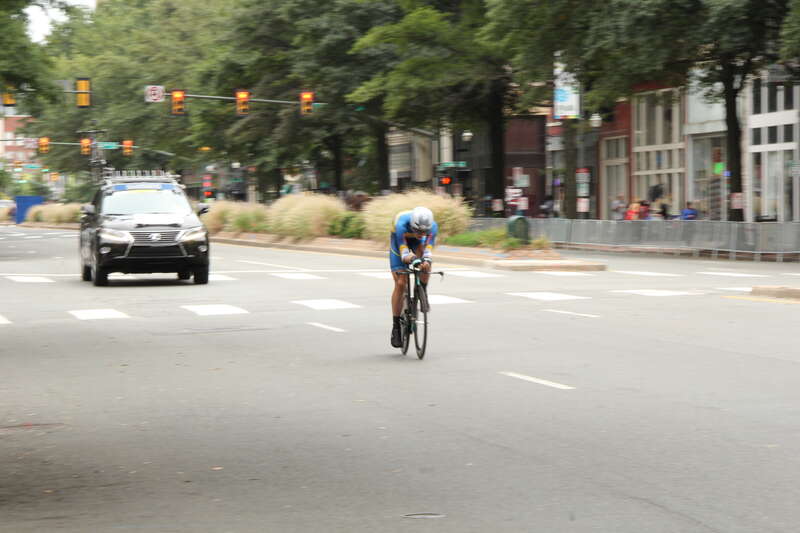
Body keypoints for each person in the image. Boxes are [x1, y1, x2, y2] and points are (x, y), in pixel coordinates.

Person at [389, 206, 438, 348]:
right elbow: (404, 253)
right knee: (400, 283)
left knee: (425, 263)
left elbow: (428, 249)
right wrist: (410, 258)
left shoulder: (433, 227)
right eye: (418, 231)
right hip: (399, 241)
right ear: (412, 225)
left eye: (425, 232)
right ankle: (396, 326)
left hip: (416, 244)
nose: (422, 234)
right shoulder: (401, 224)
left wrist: (426, 260)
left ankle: (422, 290)